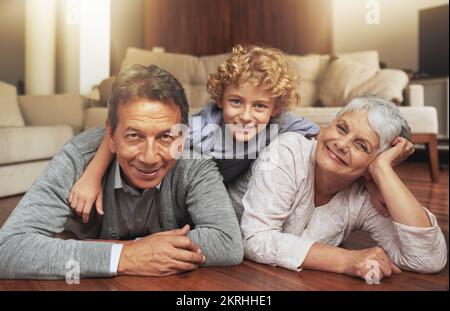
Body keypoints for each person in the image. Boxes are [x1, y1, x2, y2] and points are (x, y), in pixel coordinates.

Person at [0, 64, 243, 279]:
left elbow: (227, 242)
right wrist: (127, 256)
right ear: (111, 136)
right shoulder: (78, 158)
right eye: (134, 135)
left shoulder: (194, 164)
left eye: (165, 136)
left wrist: (139, 248)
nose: (149, 157)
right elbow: (8, 248)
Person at [232, 95, 447, 281]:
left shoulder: (363, 196)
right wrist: (346, 260)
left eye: (361, 145)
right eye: (341, 128)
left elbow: (428, 258)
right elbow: (255, 239)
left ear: (370, 167)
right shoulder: (288, 150)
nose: (342, 144)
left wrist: (383, 170)